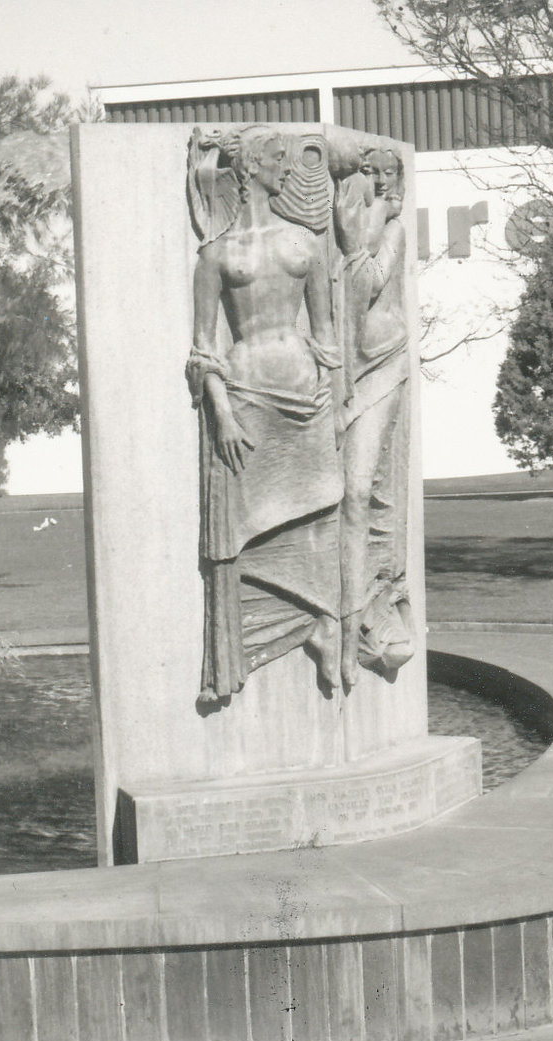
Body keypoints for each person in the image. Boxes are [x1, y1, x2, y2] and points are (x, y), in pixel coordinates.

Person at [186, 125, 343, 703]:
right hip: (247, 403)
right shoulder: (216, 255)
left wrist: (335, 403)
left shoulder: (306, 244)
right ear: (250, 168)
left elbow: (327, 340)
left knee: (317, 513)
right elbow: (203, 351)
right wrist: (222, 415)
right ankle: (238, 654)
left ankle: (326, 622)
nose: (288, 170)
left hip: (306, 400)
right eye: (278, 159)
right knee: (242, 534)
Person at [333, 142, 413, 690]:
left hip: (382, 364)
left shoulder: (392, 228)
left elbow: (367, 283)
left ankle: (370, 605)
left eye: (389, 175)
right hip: (344, 370)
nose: (381, 182)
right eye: (371, 173)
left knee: (362, 490)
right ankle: (344, 611)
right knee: (342, 494)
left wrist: (377, 213)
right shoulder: (346, 224)